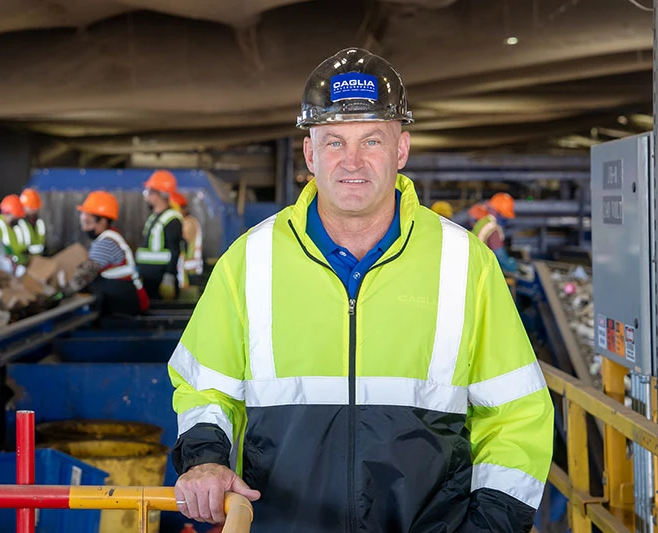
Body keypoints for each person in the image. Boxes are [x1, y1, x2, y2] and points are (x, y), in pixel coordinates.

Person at [168, 47, 553, 533]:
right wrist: (205, 459)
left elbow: (517, 414)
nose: (352, 161)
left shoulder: (466, 262)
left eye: (372, 140)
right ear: (310, 154)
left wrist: (489, 525)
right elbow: (205, 384)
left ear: (402, 150)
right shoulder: (250, 260)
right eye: (333, 142)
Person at [60, 191, 150, 315]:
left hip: (124, 299)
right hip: (127, 294)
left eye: (88, 223)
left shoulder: (106, 242)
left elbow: (86, 274)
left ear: (102, 222)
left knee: (91, 285)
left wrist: (62, 293)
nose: (84, 228)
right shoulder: (110, 237)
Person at [135, 170, 184, 301]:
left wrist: (169, 277)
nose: (147, 197)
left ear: (161, 194)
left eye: (149, 192)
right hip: (149, 278)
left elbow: (175, 250)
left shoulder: (172, 219)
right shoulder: (154, 218)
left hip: (160, 279)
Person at [468, 192, 518, 273]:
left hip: (472, 266)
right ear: (500, 212)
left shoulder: (483, 221)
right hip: (480, 270)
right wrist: (514, 267)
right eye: (505, 216)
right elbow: (500, 255)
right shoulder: (492, 227)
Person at [170, 191, 203, 288]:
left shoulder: (189, 222)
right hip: (184, 270)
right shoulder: (183, 221)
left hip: (190, 271)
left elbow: (182, 240)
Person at [15, 188, 46, 258]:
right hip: (22, 261)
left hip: (38, 261)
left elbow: (42, 242)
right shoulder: (17, 223)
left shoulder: (39, 223)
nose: (34, 210)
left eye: (35, 207)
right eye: (31, 207)